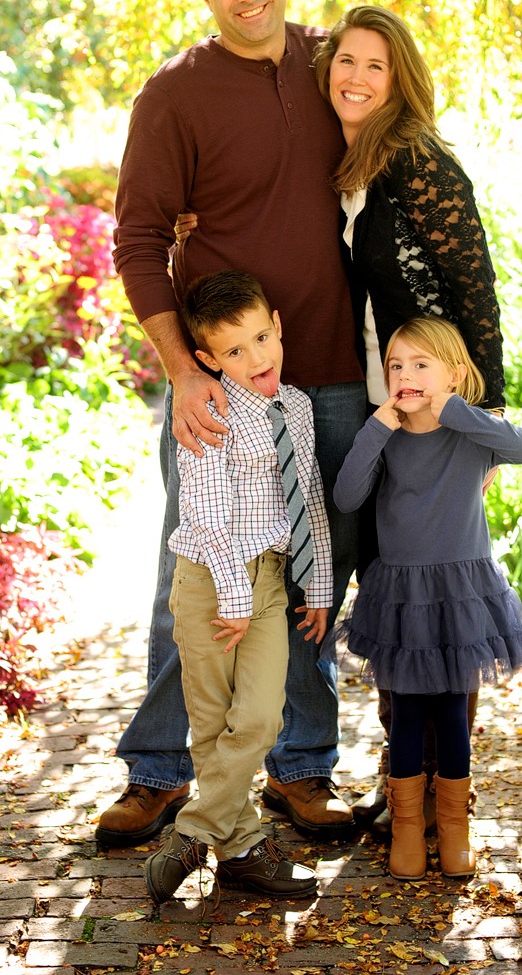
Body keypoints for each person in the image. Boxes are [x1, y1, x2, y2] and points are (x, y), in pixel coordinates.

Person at [99, 0, 366, 849]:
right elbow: (135, 241)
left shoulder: (334, 66)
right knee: (197, 571)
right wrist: (183, 372)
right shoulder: (173, 96)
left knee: (306, 573)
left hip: (329, 369)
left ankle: (302, 768)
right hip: (218, 387)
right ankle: (161, 771)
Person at [312, 5, 506, 832]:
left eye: (374, 66)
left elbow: (476, 288)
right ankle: (404, 784)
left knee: (437, 599)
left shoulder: (420, 161)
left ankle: (443, 792)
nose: (354, 77)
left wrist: (483, 408)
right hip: (377, 407)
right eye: (344, 61)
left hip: (436, 418)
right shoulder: (347, 164)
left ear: (400, 81)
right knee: (393, 593)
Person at [144, 270, 330, 903]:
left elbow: (308, 500)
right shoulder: (208, 408)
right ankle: (242, 848)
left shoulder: (298, 408)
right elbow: (204, 513)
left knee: (258, 715)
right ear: (206, 360)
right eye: (233, 351)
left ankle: (194, 830)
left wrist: (322, 586)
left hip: (271, 582)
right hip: (208, 585)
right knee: (212, 721)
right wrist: (233, 596)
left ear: (277, 324)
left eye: (260, 338)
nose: (256, 359)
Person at [333, 316, 522, 880]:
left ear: (451, 373)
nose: (404, 374)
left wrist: (454, 409)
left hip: (460, 594)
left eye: (420, 364)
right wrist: (376, 427)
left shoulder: (471, 433)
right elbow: (347, 495)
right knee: (404, 714)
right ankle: (405, 829)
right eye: (396, 365)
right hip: (402, 594)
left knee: (452, 710)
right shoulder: (389, 434)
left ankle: (454, 830)